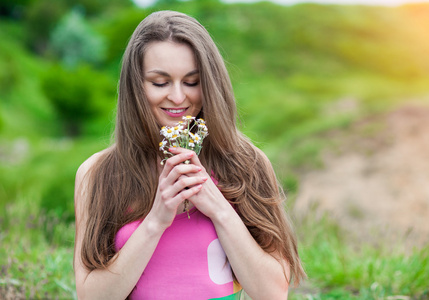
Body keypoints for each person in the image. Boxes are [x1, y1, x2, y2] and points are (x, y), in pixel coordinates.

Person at [74, 10, 306, 300]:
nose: (178, 97)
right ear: (135, 86)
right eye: (160, 82)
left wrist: (220, 210)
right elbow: (91, 296)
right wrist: (156, 221)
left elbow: (273, 293)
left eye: (192, 82)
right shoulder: (97, 173)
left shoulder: (247, 163)